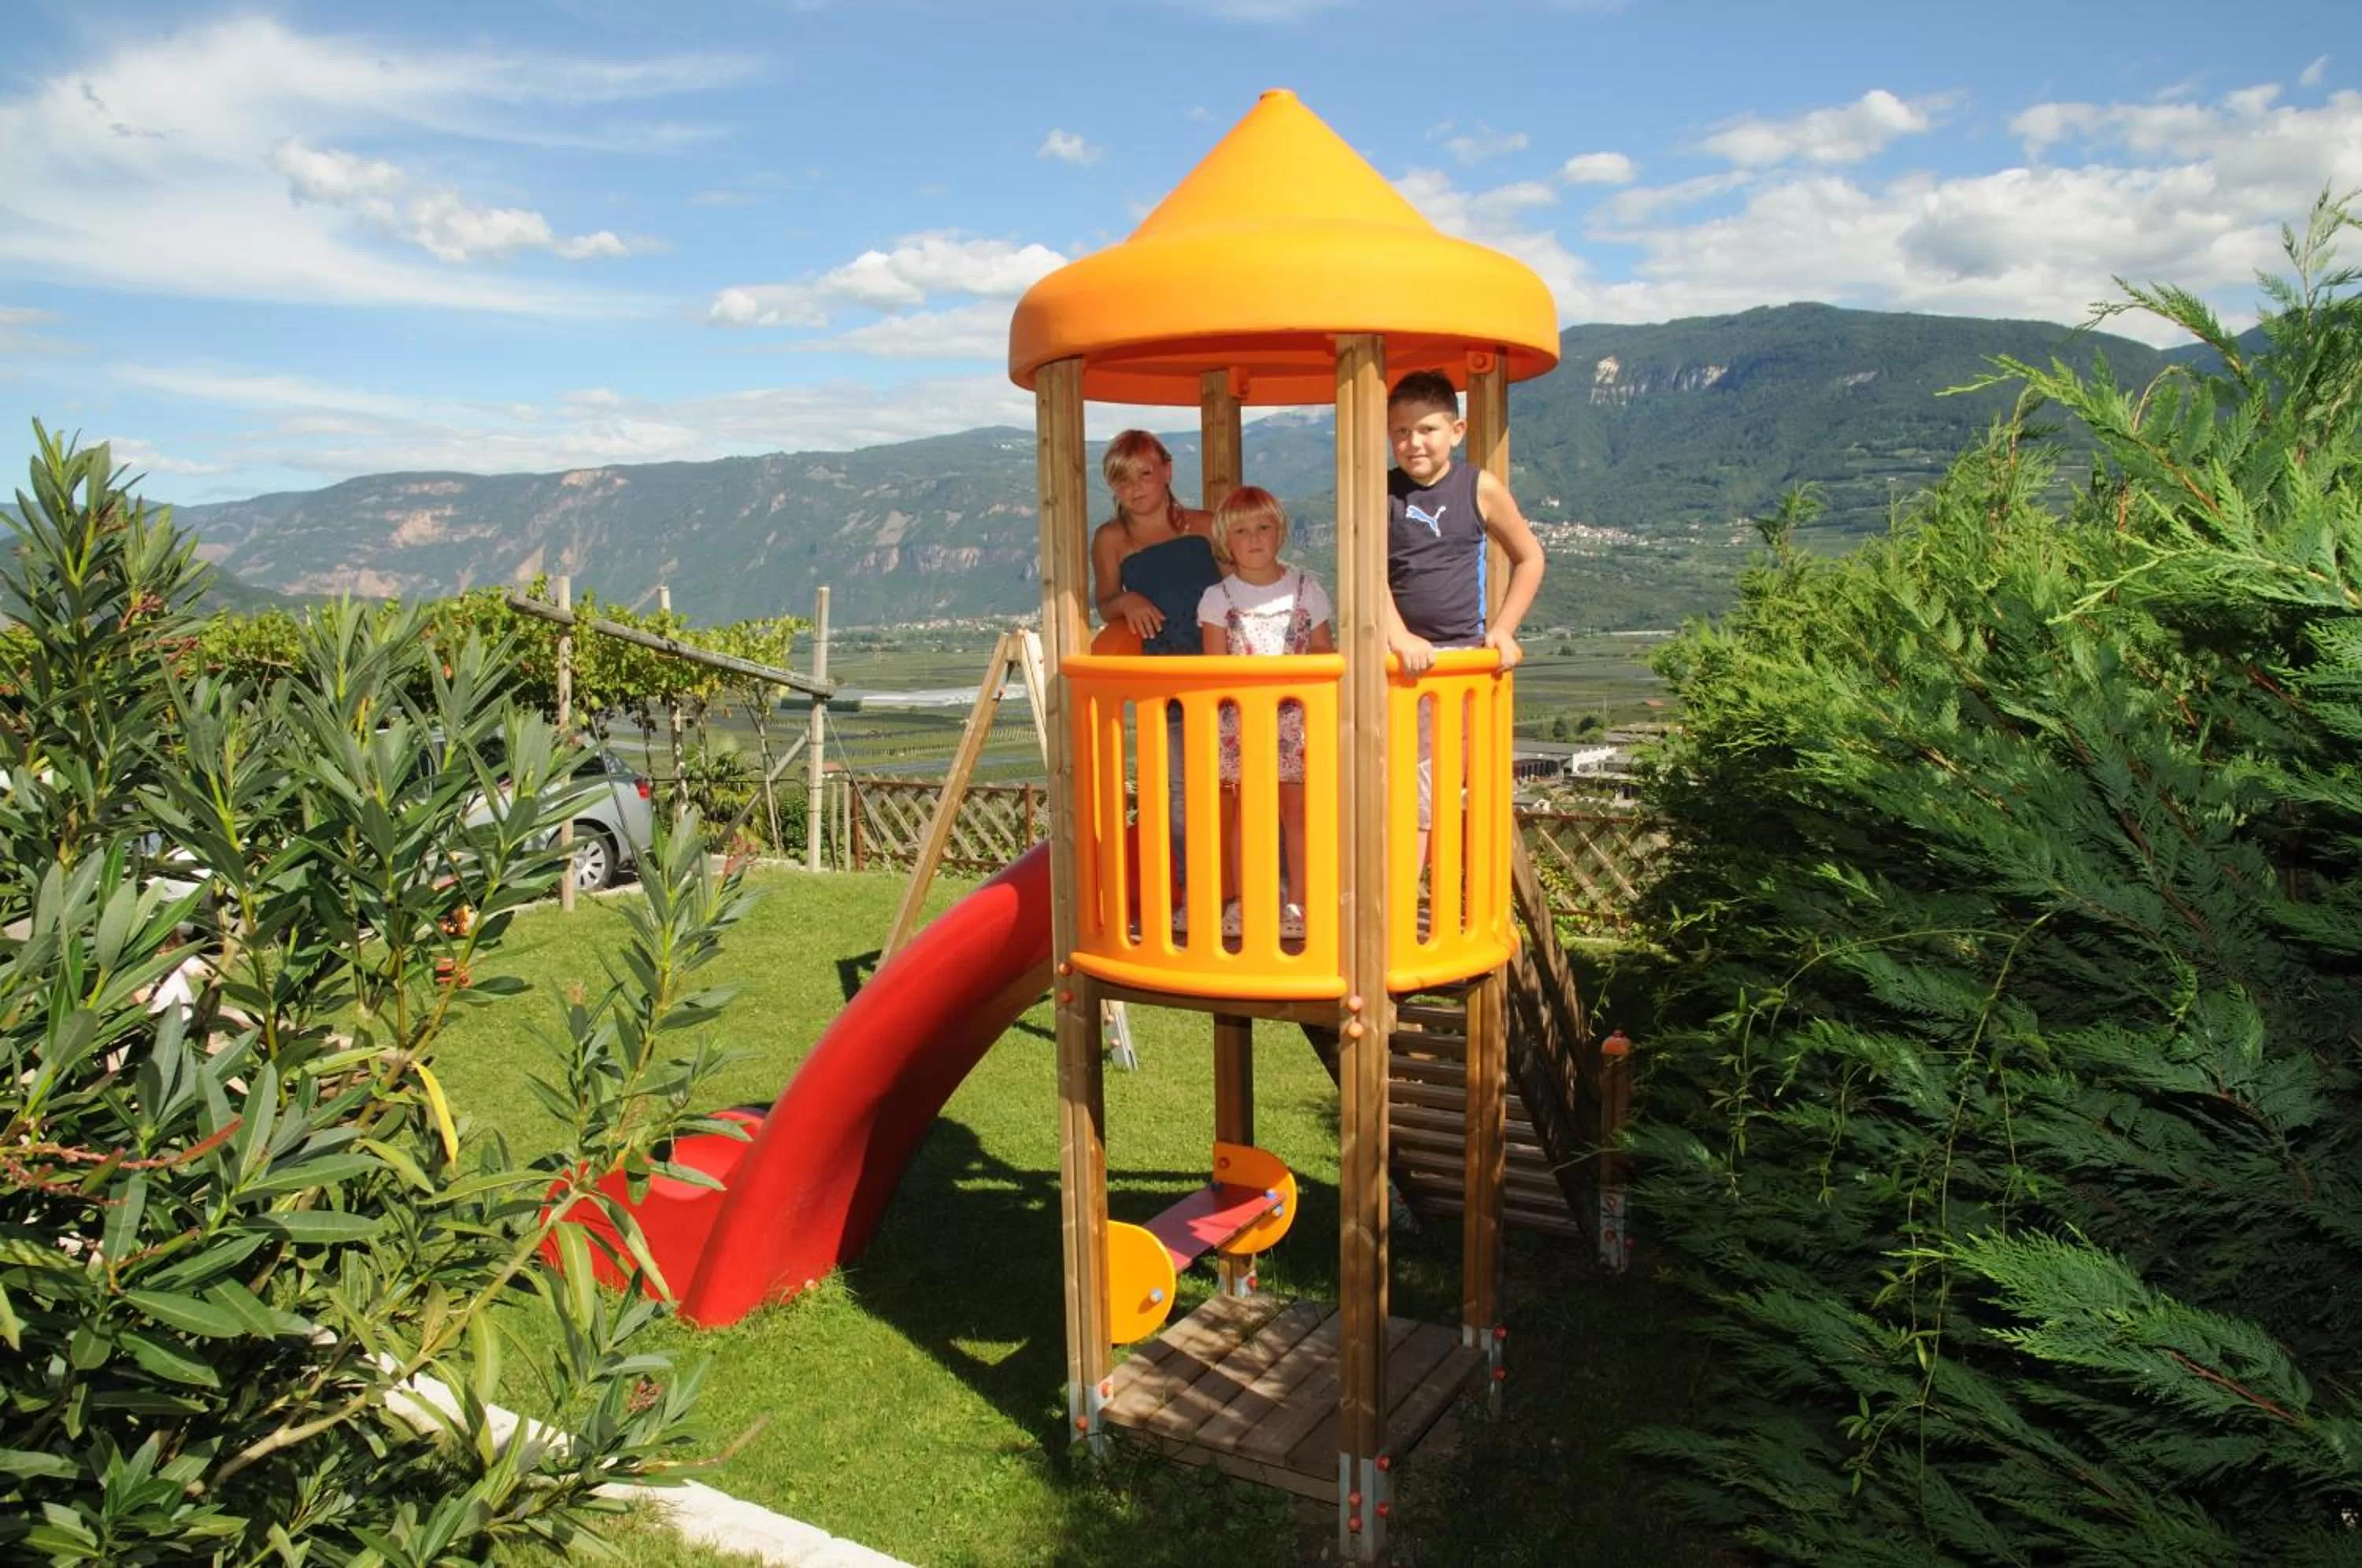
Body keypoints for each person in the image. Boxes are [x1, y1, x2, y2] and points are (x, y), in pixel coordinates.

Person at [1381, 370, 1546, 869]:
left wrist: (1503, 629)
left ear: (1457, 430)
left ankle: (1419, 907)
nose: (1413, 442)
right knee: (1397, 791)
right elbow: (1367, 574)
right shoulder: (1378, 492)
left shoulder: (1479, 488)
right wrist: (1398, 634)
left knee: (1435, 791)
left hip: (1457, 663)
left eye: (1427, 429)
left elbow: (1530, 557)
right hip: (1396, 664)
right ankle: (1393, 907)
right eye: (1400, 431)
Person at [1090, 431, 1220, 909]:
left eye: (1145, 473)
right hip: (1167, 680)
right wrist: (1127, 599)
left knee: (1252, 782)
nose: (1137, 488)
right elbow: (1103, 602)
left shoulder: (1207, 526)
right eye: (1123, 480)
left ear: (1166, 470)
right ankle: (1194, 895)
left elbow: (1242, 582)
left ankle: (1267, 889)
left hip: (1224, 672)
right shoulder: (1111, 539)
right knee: (1182, 793)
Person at [1198, 486, 1334, 941]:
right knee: (1247, 815)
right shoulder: (1219, 598)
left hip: (1296, 721)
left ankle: (1300, 899)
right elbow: (1215, 666)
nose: (1254, 539)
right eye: (1241, 531)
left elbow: (1322, 652)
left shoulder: (1305, 588)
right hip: (1243, 724)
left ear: (1280, 533)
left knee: (1296, 814)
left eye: (1263, 528)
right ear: (1224, 541)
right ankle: (1247, 899)